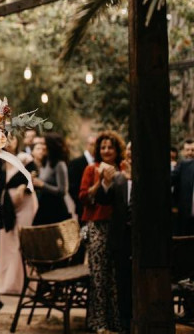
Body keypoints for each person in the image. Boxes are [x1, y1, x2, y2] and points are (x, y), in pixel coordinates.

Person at [79, 130, 127, 333]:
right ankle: (98, 322)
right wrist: (100, 181)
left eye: (110, 147)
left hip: (118, 227)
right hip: (97, 226)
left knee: (115, 276)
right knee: (99, 275)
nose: (106, 151)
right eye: (103, 147)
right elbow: (83, 197)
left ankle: (116, 321)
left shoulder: (124, 169)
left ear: (117, 150)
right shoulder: (91, 169)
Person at [96, 141, 132, 333]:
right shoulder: (118, 177)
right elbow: (102, 200)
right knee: (122, 282)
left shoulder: (149, 177)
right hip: (120, 238)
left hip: (142, 240)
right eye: (129, 151)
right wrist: (106, 182)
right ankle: (125, 324)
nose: (131, 154)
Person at [0, 135, 38, 294]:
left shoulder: (25, 158)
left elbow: (34, 176)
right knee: (6, 242)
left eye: (12, 138)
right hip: (6, 205)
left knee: (21, 241)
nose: (9, 142)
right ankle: (8, 284)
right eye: (5, 139)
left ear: (17, 141)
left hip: (25, 203)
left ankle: (25, 285)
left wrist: (23, 186)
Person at [32, 133, 73, 225]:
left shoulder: (59, 164)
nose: (42, 147)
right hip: (44, 206)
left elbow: (63, 191)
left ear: (51, 146)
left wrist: (42, 185)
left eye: (44, 144)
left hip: (56, 209)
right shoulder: (45, 162)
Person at [68, 134, 96, 224]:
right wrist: (80, 202)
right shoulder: (75, 163)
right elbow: (72, 187)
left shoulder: (100, 162)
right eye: (92, 144)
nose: (95, 147)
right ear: (87, 145)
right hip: (82, 208)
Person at [172, 138, 194, 235]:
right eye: (187, 150)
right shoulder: (182, 166)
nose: (190, 153)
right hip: (185, 217)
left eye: (193, 150)